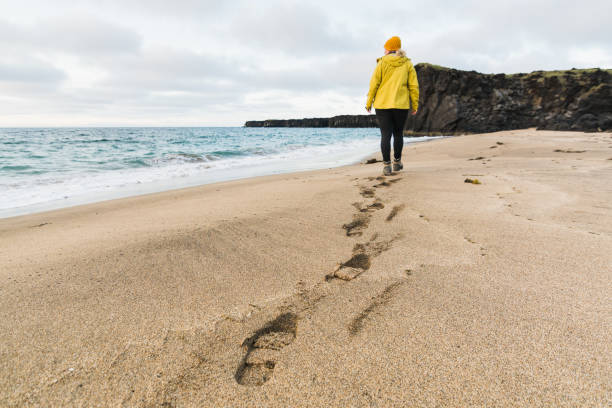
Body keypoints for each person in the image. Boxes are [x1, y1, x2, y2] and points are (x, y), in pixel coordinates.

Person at [366, 36, 419, 176]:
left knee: (385, 134)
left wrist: (368, 102)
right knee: (398, 134)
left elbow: (374, 84)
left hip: (382, 105)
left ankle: (386, 166)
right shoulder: (407, 64)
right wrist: (415, 104)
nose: (384, 50)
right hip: (400, 105)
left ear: (390, 48)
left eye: (385, 47)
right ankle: (397, 162)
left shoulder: (382, 63)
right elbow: (413, 86)